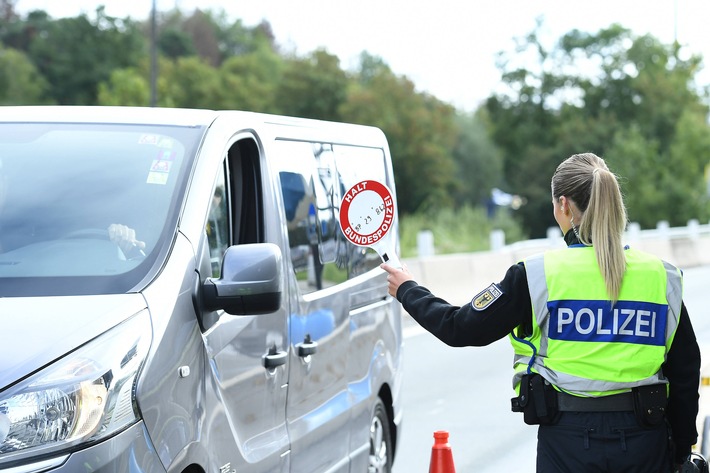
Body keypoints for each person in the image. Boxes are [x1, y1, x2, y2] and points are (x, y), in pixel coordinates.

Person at [381, 153, 700, 472]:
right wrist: (680, 450)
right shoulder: (663, 275)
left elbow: (459, 328)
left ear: (563, 205)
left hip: (567, 442)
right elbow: (685, 369)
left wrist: (408, 289)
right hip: (645, 440)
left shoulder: (535, 275)